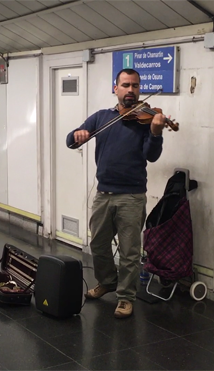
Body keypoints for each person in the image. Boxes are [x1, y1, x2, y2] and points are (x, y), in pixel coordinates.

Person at [65, 68, 165, 318]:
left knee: (130, 250)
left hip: (131, 196)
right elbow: (71, 140)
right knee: (98, 244)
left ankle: (125, 297)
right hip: (103, 194)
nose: (131, 90)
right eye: (125, 85)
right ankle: (108, 281)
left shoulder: (146, 120)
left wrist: (155, 132)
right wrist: (77, 136)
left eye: (135, 85)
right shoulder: (101, 117)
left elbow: (151, 156)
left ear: (139, 89)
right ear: (116, 88)